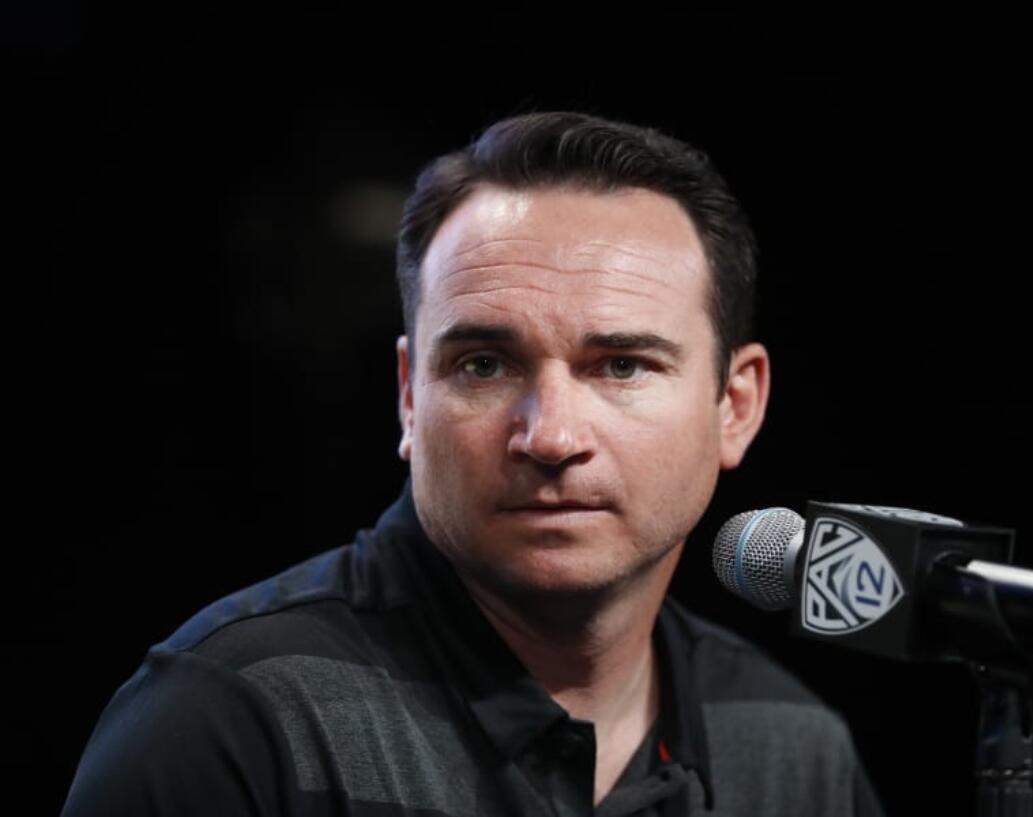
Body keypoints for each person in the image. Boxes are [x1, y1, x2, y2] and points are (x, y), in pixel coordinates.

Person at [62, 112, 884, 816]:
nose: (552, 436)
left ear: (734, 405)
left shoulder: (793, 747)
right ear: (409, 399)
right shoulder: (230, 721)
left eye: (622, 365)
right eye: (485, 364)